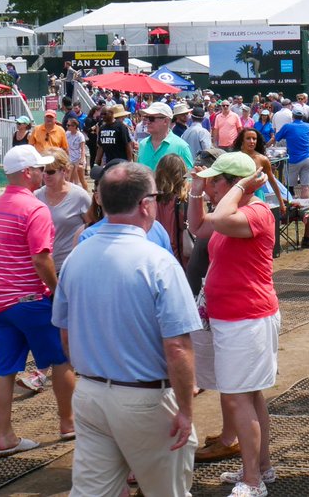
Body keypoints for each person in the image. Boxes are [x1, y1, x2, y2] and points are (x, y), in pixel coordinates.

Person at [53, 162, 202, 496]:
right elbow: (177, 347)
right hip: (144, 396)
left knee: (93, 491)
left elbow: (65, 334)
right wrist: (185, 409)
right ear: (145, 205)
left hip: (91, 392)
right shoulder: (158, 261)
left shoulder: (76, 256)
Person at [193, 152, 279, 497]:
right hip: (235, 316)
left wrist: (242, 184)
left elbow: (221, 216)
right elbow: (199, 228)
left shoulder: (255, 212)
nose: (212, 186)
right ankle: (260, 468)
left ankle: (253, 482)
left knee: (238, 399)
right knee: (248, 395)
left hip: (247, 316)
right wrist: (196, 192)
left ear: (233, 183)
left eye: (216, 181)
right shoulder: (234, 211)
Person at [0, 145, 76, 456]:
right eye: (39, 168)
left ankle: (5, 436)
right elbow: (41, 258)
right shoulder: (35, 208)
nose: (42, 173)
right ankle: (68, 423)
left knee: (5, 369)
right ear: (27, 173)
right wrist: (58, 291)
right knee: (63, 359)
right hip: (31, 298)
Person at [35, 148, 92, 272]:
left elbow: (93, 228)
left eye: (50, 172)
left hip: (70, 266)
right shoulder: (36, 196)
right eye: (41, 170)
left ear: (64, 171)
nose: (45, 175)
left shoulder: (80, 196)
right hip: (43, 269)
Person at [236, 127, 285, 207]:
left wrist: (281, 202)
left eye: (254, 139)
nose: (252, 141)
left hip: (257, 198)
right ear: (242, 140)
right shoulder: (236, 157)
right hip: (239, 196)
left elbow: (273, 182)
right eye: (248, 138)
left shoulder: (263, 159)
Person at [139, 101, 194, 172]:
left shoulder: (181, 147)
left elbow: (189, 178)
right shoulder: (143, 144)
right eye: (146, 117)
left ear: (165, 121)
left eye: (151, 118)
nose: (148, 122)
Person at [275, 110, 309, 199]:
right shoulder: (308, 126)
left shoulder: (287, 126)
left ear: (292, 117)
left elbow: (277, 137)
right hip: (307, 158)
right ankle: (305, 208)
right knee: (305, 186)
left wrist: (286, 135)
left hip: (293, 160)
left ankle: (291, 209)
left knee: (290, 187)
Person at [64, 115, 90, 187]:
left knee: (79, 180)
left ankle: (85, 192)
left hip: (78, 158)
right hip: (70, 158)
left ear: (74, 126)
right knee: (68, 179)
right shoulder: (67, 134)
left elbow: (82, 148)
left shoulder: (80, 136)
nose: (67, 126)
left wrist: (81, 160)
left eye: (68, 125)